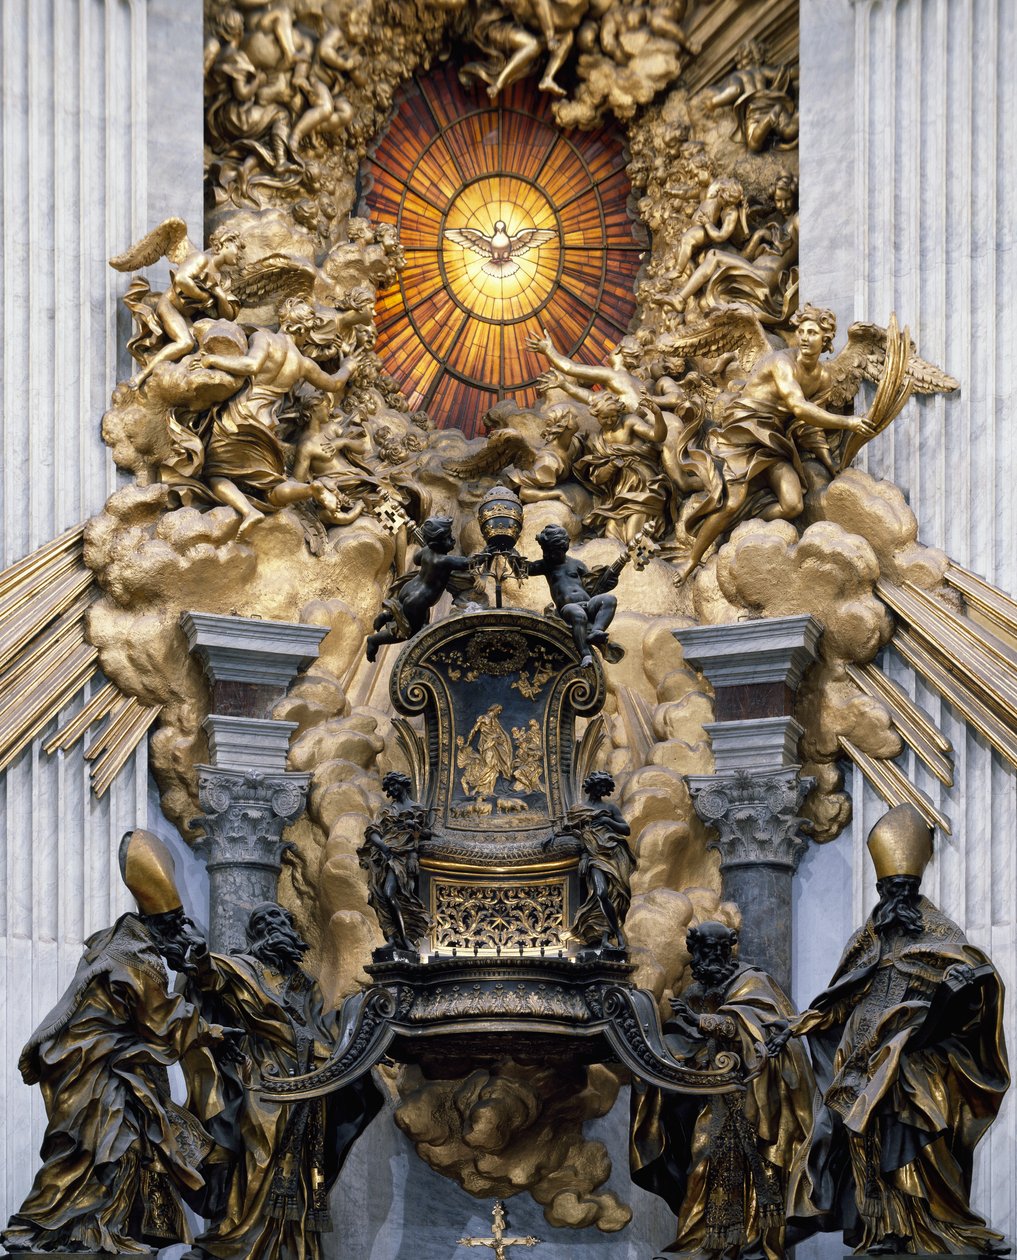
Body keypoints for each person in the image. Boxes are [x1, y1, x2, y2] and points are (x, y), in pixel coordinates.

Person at [774, 805, 1010, 1256]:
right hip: (858, 1055)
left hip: (914, 1057)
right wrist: (795, 1025)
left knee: (909, 1127)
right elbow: (837, 998)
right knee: (849, 1137)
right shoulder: (867, 938)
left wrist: (958, 991)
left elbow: (974, 984)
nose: (898, 898)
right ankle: (879, 1228)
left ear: (917, 888)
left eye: (906, 888)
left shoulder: (941, 933)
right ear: (880, 890)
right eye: (890, 889)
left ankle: (929, 1222)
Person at [2, 829, 229, 1255]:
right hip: (95, 1068)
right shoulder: (137, 959)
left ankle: (99, 1231)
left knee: (113, 1151)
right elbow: (162, 1018)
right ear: (164, 929)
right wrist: (215, 1032)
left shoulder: (114, 943)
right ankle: (35, 1227)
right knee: (91, 1150)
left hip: (94, 1063)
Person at [181, 903, 383, 1260]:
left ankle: (292, 1248)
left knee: (305, 1168)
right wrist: (197, 954)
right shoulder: (244, 968)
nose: (274, 925)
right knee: (260, 1154)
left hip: (309, 1084)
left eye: (279, 919)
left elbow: (322, 1029)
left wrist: (359, 1033)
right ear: (253, 933)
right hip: (263, 1079)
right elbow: (209, 974)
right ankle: (236, 1240)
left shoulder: (304, 984)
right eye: (264, 921)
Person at [631, 921, 817, 1260]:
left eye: (718, 949)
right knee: (701, 1165)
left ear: (728, 949)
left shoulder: (751, 981)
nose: (711, 957)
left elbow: (756, 1026)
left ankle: (748, 1242)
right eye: (704, 951)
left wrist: (703, 1022)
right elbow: (684, 1041)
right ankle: (701, 1243)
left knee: (740, 1169)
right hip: (710, 1097)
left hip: (752, 1098)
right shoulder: (695, 992)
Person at [678, 305, 872, 579]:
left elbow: (808, 425)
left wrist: (831, 463)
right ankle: (693, 558)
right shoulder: (782, 362)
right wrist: (848, 422)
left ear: (826, 340)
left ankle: (740, 527)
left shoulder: (825, 378)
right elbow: (799, 407)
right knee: (731, 503)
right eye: (801, 331)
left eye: (812, 332)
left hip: (774, 439)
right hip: (744, 431)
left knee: (793, 505)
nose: (804, 337)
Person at [198, 299, 365, 533]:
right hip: (267, 427)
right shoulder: (303, 363)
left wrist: (213, 359)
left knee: (214, 473)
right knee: (271, 486)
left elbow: (250, 365)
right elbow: (334, 382)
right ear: (305, 330)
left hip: (240, 416)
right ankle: (309, 489)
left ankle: (248, 511)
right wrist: (348, 365)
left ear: (284, 320)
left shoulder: (264, 337)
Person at [366, 515, 472, 661]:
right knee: (409, 632)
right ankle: (374, 640)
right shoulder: (444, 560)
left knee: (411, 618)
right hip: (418, 602)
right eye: (448, 538)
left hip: (408, 589)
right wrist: (487, 553)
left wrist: (428, 551)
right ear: (436, 542)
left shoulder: (427, 551)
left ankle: (387, 615)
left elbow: (416, 559)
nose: (452, 539)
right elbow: (467, 563)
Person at [550, 771, 634, 949]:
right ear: (592, 786)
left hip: (613, 853)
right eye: (599, 785)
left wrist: (606, 821)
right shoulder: (578, 809)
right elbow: (571, 831)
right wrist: (583, 855)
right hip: (594, 855)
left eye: (605, 787)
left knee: (612, 895)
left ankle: (606, 937)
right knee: (601, 893)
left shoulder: (610, 809)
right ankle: (616, 932)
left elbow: (626, 830)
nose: (602, 789)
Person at [358, 770, 431, 951]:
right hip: (382, 857)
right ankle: (392, 938)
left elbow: (426, 834)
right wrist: (383, 846)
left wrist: (414, 830)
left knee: (390, 893)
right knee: (378, 896)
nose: (391, 789)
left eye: (393, 784)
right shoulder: (386, 811)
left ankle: (406, 939)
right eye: (388, 786)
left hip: (402, 857)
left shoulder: (417, 809)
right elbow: (372, 832)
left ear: (402, 784)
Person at [528, 523, 619, 667]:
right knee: (578, 615)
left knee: (609, 599)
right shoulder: (546, 565)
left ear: (564, 548)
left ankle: (597, 630)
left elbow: (593, 586)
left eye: (555, 552)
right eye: (547, 551)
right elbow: (526, 569)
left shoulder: (577, 564)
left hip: (589, 604)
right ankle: (585, 654)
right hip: (567, 609)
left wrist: (610, 580)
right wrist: (510, 553)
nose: (550, 555)